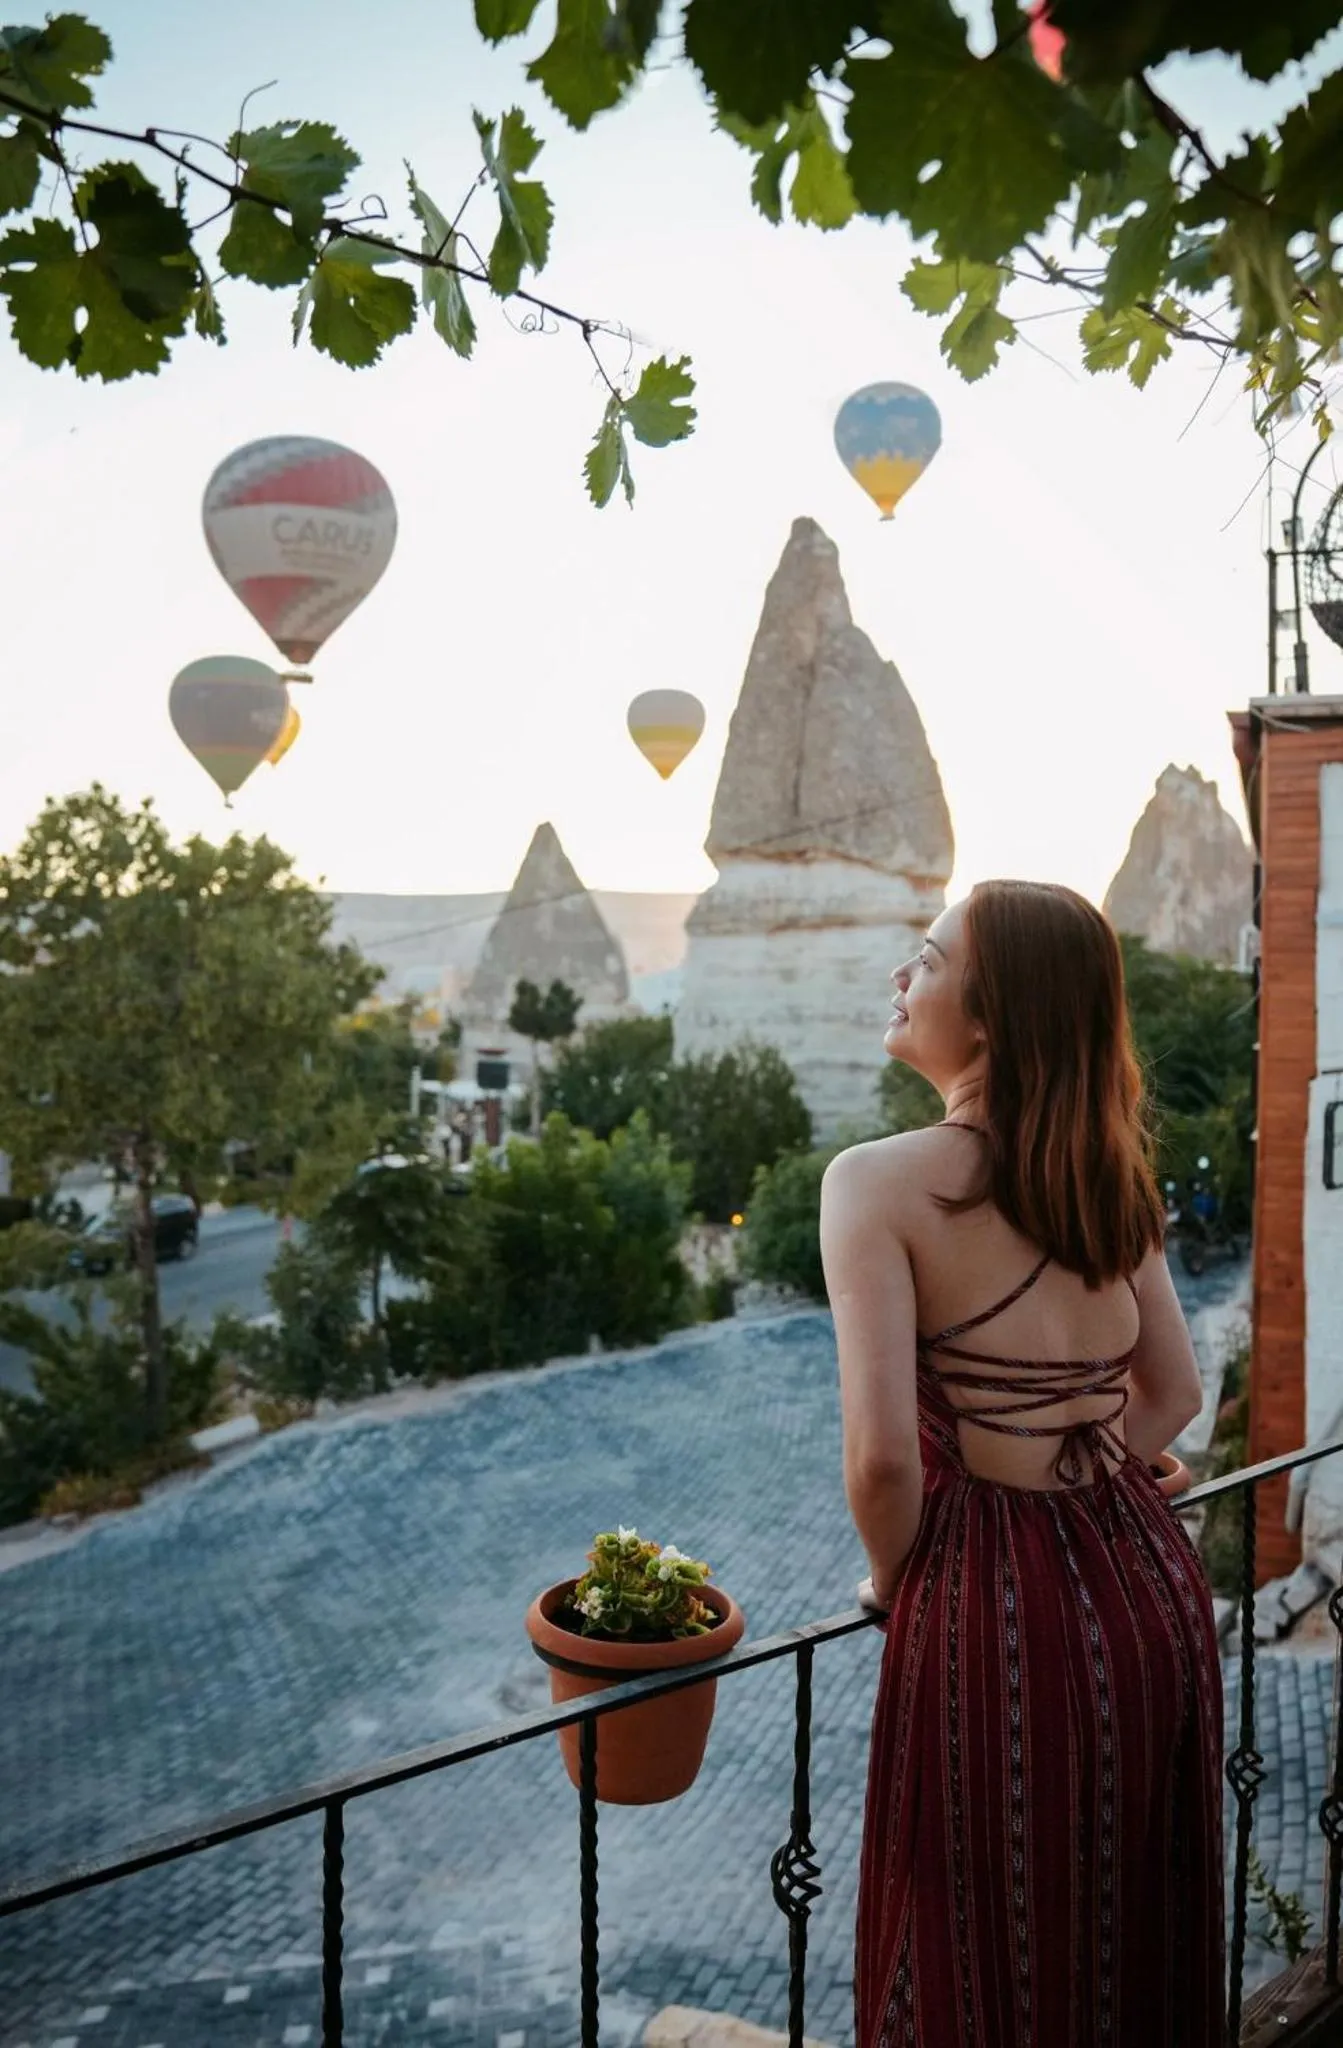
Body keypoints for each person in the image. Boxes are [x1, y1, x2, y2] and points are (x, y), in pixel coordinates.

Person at [820, 881, 1223, 2048]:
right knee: (1124, 1934)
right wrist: (1090, 1481)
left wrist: (902, 1583)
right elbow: (1172, 1394)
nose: (903, 974)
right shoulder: (1108, 1174)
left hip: (992, 1610)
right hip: (1145, 1588)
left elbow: (882, 1461)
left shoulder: (873, 1183)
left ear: (987, 1015)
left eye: (928, 958)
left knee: (972, 1949)